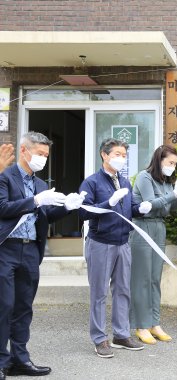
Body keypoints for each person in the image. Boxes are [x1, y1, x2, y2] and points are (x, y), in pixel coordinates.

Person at [0, 132, 84, 379]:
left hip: (31, 250)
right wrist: (34, 201)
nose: (43, 159)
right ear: (24, 151)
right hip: (7, 248)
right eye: (39, 154)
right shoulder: (5, 177)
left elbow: (45, 214)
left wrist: (68, 208)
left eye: (46, 155)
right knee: (4, 306)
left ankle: (20, 359)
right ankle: (2, 362)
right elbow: (2, 208)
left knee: (24, 308)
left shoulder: (40, 184)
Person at [78, 138, 153, 358]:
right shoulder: (91, 182)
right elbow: (83, 212)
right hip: (100, 243)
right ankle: (100, 339)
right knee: (99, 293)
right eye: (117, 154)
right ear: (104, 154)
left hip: (123, 243)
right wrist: (107, 203)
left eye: (124, 155)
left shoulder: (125, 181)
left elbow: (129, 209)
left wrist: (141, 208)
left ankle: (121, 335)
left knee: (122, 290)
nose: (121, 158)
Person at [129, 145, 177, 344]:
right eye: (170, 162)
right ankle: (141, 325)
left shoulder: (166, 182)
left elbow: (170, 208)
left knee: (154, 278)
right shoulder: (145, 177)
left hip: (159, 227)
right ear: (159, 160)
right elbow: (152, 203)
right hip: (142, 228)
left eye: (174, 164)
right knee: (141, 279)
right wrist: (174, 194)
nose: (172, 166)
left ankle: (154, 323)